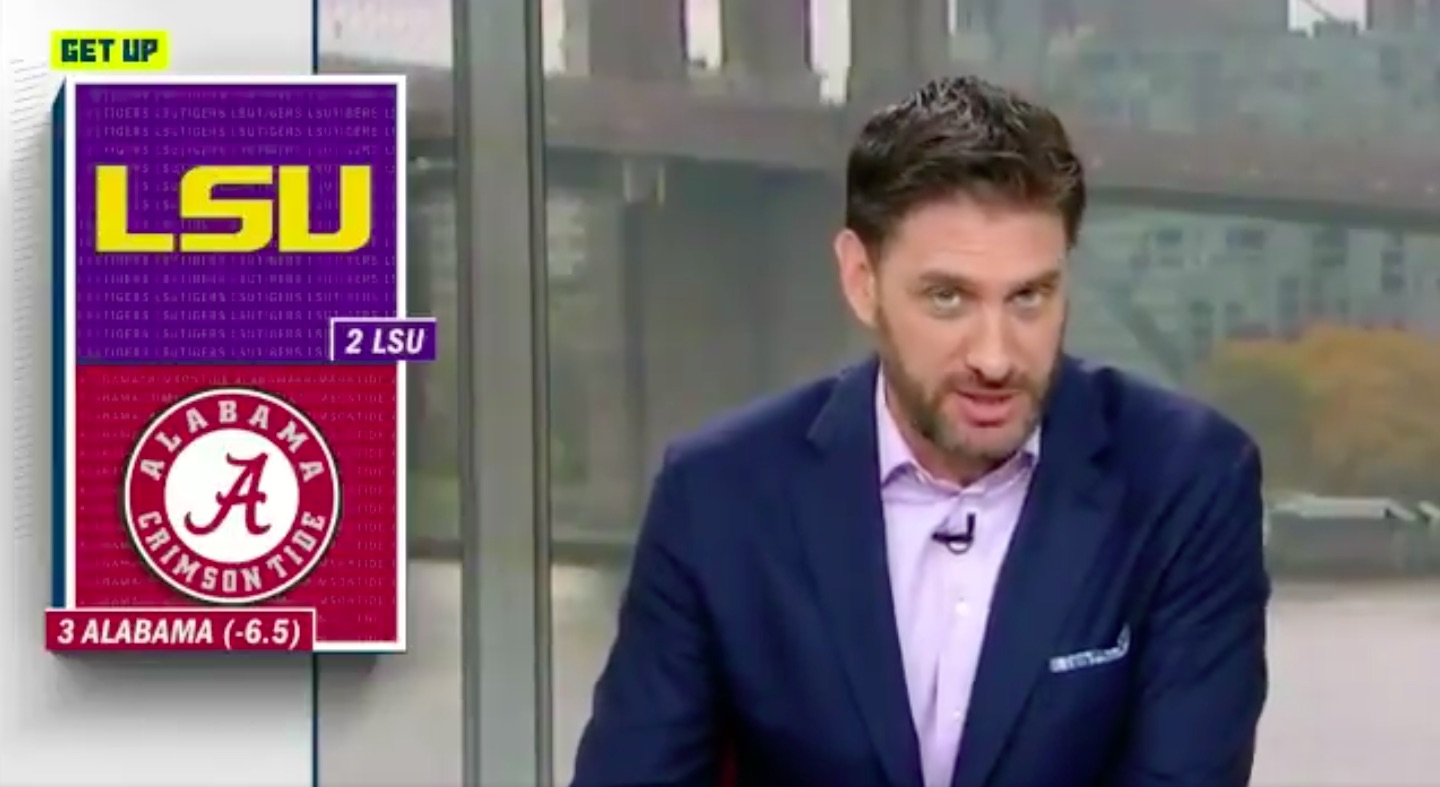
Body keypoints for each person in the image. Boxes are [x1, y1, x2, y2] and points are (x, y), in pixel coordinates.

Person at [570, 75, 1269, 787]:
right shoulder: (718, 497)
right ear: (861, 279)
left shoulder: (1188, 484)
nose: (995, 357)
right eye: (947, 297)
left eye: (1029, 296)